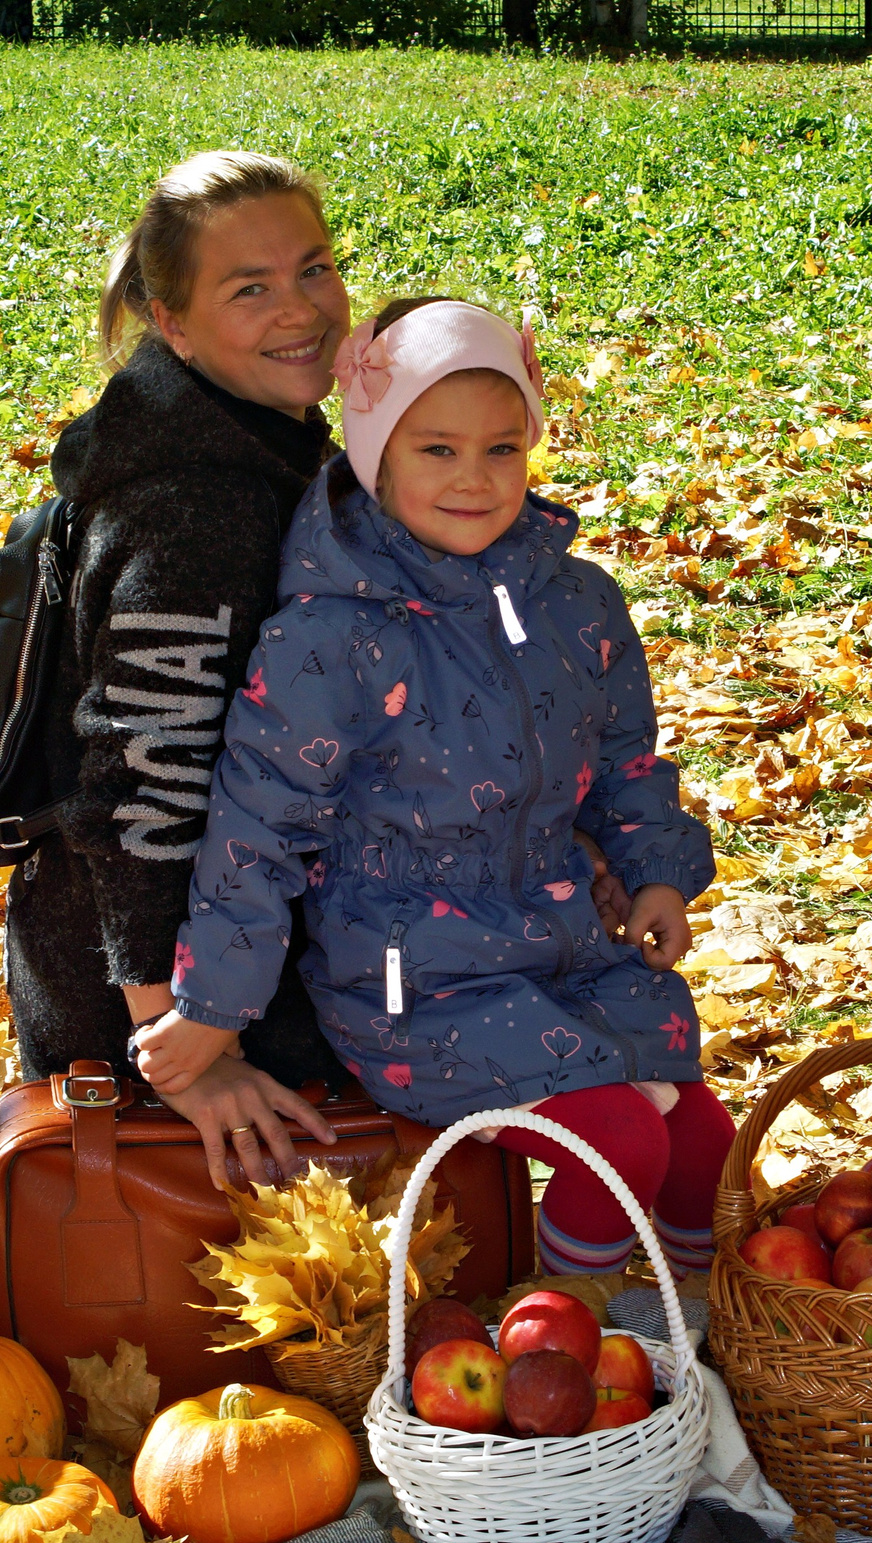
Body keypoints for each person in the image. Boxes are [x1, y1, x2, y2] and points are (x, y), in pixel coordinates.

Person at [134, 298, 736, 1275]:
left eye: (502, 450)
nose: (473, 479)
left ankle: (710, 1328)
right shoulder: (330, 641)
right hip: (416, 976)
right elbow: (258, 829)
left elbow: (625, 760)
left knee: (703, 1148)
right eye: (437, 450)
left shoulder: (576, 604)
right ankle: (567, 1340)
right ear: (376, 454)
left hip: (568, 937)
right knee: (620, 1143)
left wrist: (654, 873)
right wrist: (214, 1008)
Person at [5, 149, 353, 1193]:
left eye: (314, 268)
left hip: (236, 949)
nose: (302, 309)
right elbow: (141, 781)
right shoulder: (192, 508)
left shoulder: (260, 437)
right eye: (249, 289)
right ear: (174, 323)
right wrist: (183, 1047)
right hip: (163, 989)